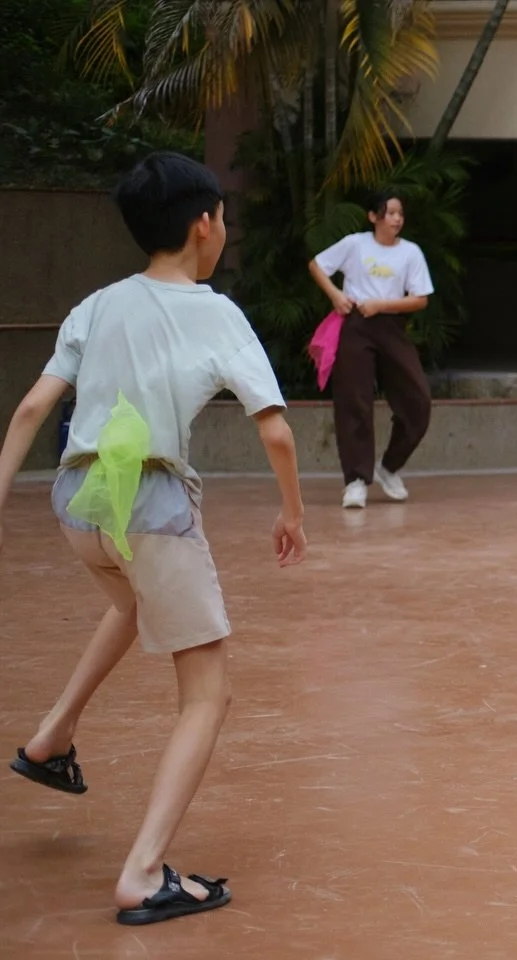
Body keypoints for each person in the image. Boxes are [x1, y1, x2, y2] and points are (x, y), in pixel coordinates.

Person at [0, 151, 307, 923]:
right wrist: (293, 512)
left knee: (133, 603)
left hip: (78, 504)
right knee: (208, 694)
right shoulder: (217, 313)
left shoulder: (98, 303)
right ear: (204, 225)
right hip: (150, 506)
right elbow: (276, 433)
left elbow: (34, 409)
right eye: (223, 219)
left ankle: (50, 739)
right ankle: (142, 874)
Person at [308, 192, 435, 509]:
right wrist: (336, 295)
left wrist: (382, 304)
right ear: (373, 216)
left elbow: (420, 299)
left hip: (392, 326)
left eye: (400, 213)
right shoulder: (355, 244)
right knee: (355, 402)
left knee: (418, 400)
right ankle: (355, 481)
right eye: (390, 213)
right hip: (355, 326)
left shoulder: (411, 253)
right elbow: (317, 265)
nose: (396, 219)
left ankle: (389, 467)